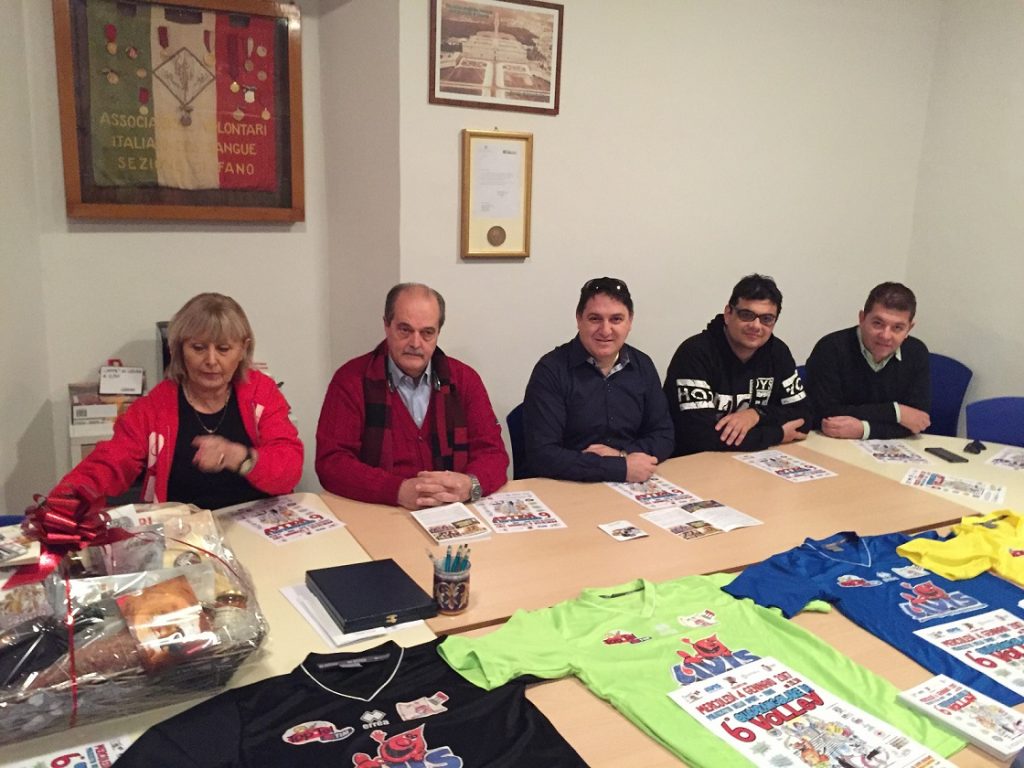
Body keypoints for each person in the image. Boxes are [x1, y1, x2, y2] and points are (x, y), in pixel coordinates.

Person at [50, 293, 303, 510]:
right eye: (198, 348)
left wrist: (237, 456)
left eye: (223, 349)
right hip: (185, 534)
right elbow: (110, 462)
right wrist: (65, 500)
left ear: (243, 350)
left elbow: (289, 470)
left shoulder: (261, 392)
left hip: (259, 525)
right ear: (178, 349)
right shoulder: (154, 408)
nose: (211, 360)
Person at [315, 283, 508, 509]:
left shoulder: (465, 380)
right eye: (405, 330)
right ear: (386, 325)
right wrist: (396, 491)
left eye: (427, 333)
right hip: (380, 511)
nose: (415, 343)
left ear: (438, 333)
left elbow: (493, 453)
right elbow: (332, 463)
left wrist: (470, 484)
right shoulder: (351, 380)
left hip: (454, 510)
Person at [523, 277, 674, 482]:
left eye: (616, 319)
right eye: (595, 319)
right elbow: (542, 455)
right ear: (579, 319)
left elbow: (664, 435)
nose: (605, 330)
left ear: (630, 322)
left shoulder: (643, 365)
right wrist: (617, 467)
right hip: (567, 486)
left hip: (630, 484)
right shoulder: (551, 370)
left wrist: (622, 455)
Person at [663, 274, 809, 455]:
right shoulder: (695, 353)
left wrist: (756, 414)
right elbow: (698, 436)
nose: (756, 326)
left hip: (752, 457)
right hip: (695, 461)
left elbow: (804, 416)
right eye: (747, 315)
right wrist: (777, 433)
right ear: (728, 313)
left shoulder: (778, 352)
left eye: (767, 319)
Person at [806, 282, 930, 439]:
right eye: (878, 323)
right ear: (862, 318)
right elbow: (823, 414)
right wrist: (896, 412)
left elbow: (918, 421)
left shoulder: (917, 353)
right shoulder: (831, 348)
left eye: (897, 328)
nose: (885, 335)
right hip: (829, 443)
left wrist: (865, 429)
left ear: (909, 329)